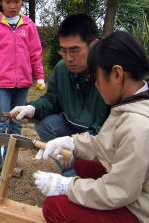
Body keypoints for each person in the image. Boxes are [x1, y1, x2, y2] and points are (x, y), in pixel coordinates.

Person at [33, 31, 149, 223]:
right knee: (82, 164)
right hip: (136, 188)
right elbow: (107, 145)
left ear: (117, 74)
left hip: (141, 209)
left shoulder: (138, 125)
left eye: (97, 77)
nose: (95, 85)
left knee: (54, 208)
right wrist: (72, 143)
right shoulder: (133, 101)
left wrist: (67, 186)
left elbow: (118, 191)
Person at [10, 14, 110, 176]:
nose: (68, 58)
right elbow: (52, 99)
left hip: (101, 137)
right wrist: (32, 109)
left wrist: (77, 141)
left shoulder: (110, 73)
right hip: (73, 126)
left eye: (74, 50)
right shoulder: (62, 68)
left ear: (94, 45)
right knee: (46, 124)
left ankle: (99, 175)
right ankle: (71, 174)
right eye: (63, 51)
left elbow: (114, 125)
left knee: (98, 164)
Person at [0, 0, 45, 182]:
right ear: (0, 2)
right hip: (1, 84)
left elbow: (35, 53)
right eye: (8, 1)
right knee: (0, 123)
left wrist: (39, 76)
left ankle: (9, 163)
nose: (13, 5)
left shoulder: (29, 25)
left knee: (16, 124)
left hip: (22, 84)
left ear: (22, 1)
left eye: (17, 1)